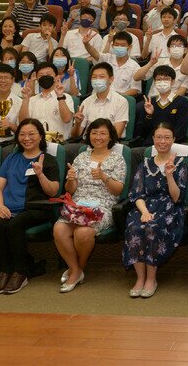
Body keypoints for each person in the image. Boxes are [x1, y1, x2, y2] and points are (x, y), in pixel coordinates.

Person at [0, 119, 60, 295]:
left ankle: (21, 272)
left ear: (41, 136)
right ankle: (5, 270)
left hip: (35, 208)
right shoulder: (12, 158)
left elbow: (53, 192)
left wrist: (40, 174)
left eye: (31, 134)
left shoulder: (48, 159)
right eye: (22, 134)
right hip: (9, 207)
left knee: (14, 225)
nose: (26, 138)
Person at [54, 118, 126, 293]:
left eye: (102, 133)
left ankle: (77, 269)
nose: (98, 137)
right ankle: (76, 269)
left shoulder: (117, 159)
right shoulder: (81, 157)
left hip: (102, 206)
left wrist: (103, 176)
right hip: (78, 205)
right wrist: (71, 179)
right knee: (59, 229)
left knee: (83, 232)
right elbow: (70, 190)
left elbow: (118, 191)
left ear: (110, 137)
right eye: (94, 133)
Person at [123, 123, 188, 298]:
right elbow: (137, 193)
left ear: (174, 140)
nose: (162, 141)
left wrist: (169, 175)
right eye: (159, 137)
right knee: (134, 227)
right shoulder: (145, 164)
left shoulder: (180, 164)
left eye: (167, 137)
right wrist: (144, 212)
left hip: (169, 208)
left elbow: (177, 197)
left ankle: (151, 279)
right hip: (144, 206)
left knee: (152, 227)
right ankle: (140, 278)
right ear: (153, 139)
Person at [72, 63, 129, 145]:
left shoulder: (121, 101)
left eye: (101, 77)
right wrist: (77, 123)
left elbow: (117, 134)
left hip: (111, 144)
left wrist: (99, 141)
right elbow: (75, 135)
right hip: (88, 143)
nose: (97, 80)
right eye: (94, 77)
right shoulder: (86, 102)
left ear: (111, 79)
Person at [19, 62, 74, 145]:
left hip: (59, 143)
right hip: (35, 144)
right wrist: (26, 99)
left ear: (56, 77)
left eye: (48, 74)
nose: (45, 77)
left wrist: (60, 97)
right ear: (37, 79)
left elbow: (67, 119)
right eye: (41, 75)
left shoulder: (65, 97)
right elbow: (23, 122)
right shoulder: (31, 100)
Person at [139, 66, 188, 144]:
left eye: (166, 79)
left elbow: (181, 130)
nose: (162, 82)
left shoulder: (182, 102)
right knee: (136, 153)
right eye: (158, 79)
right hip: (152, 144)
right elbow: (144, 132)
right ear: (154, 81)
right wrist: (149, 115)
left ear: (172, 81)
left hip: (174, 144)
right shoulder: (150, 102)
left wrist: (165, 142)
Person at [86, 30, 142, 97]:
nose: (119, 47)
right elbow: (95, 54)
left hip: (119, 100)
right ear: (112, 46)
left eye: (123, 45)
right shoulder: (107, 58)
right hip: (98, 96)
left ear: (129, 47)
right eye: (117, 45)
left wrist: (117, 97)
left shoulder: (135, 66)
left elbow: (135, 89)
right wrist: (86, 43)